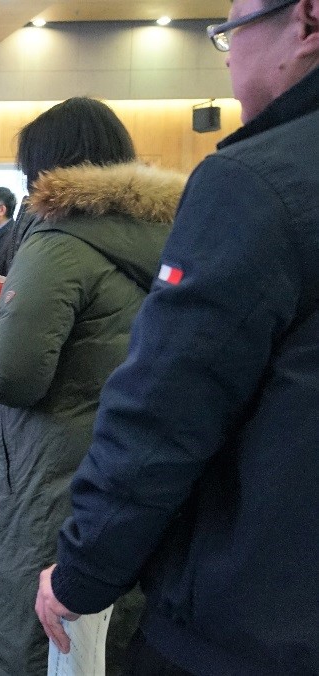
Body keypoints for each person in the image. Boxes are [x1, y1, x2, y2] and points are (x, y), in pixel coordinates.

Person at [36, 2, 319, 673]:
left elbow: (166, 407)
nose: (228, 54)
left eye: (232, 31)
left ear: (307, 21)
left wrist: (82, 571)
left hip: (246, 614)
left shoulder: (256, 181)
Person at [0, 97, 186, 675]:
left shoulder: (59, 242)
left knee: (46, 637)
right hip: (128, 466)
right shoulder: (173, 234)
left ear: (44, 169)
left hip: (52, 471)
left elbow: (10, 374)